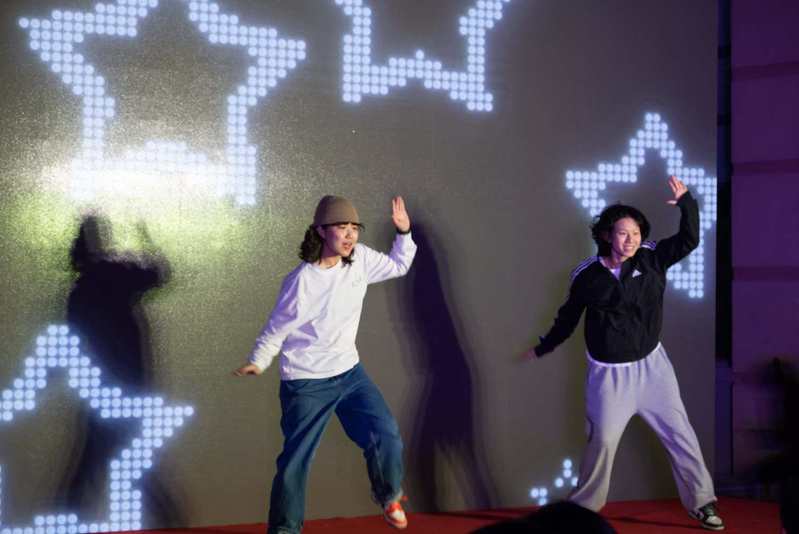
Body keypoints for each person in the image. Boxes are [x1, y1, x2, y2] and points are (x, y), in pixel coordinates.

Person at [528, 176, 724, 531]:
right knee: (602, 442)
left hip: (653, 369)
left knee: (681, 435)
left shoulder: (652, 258)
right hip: (608, 376)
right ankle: (581, 514)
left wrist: (687, 204)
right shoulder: (586, 276)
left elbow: (689, 239)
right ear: (607, 236)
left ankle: (702, 503)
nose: (631, 239)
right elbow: (568, 318)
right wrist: (545, 345)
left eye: (635, 233)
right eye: (623, 233)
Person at [234, 195, 416, 533]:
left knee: (386, 434)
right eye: (341, 228)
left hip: (350, 373)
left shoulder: (360, 259)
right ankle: (284, 530)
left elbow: (398, 265)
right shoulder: (302, 281)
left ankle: (389, 496)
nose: (350, 236)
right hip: (306, 381)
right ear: (320, 231)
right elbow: (276, 329)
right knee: (296, 461)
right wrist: (258, 361)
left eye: (354, 228)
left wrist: (404, 232)